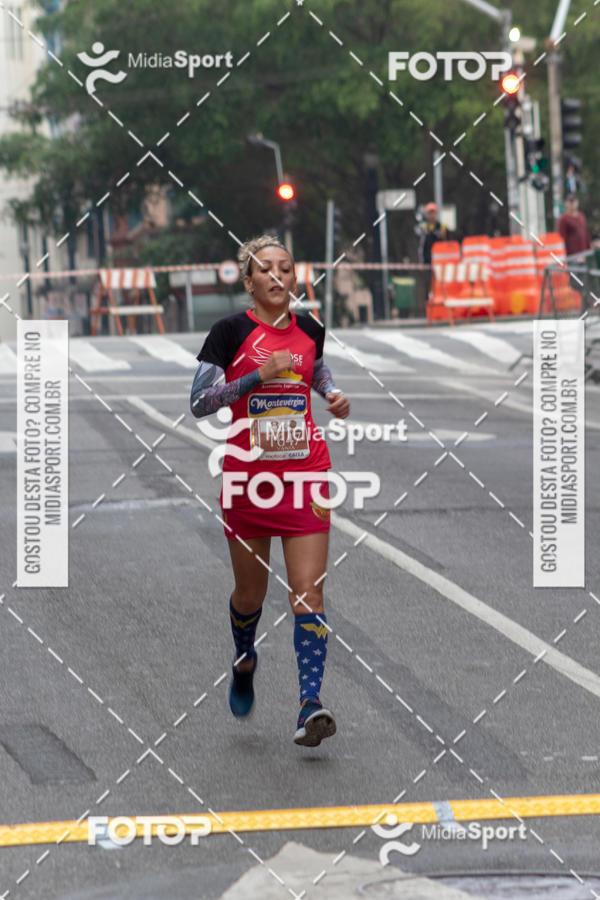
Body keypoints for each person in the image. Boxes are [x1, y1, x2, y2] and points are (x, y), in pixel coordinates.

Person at [189, 234, 350, 747]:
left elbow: (313, 366)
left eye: (286, 267)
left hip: (306, 473)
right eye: (266, 269)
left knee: (310, 591)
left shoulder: (310, 328)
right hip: (249, 481)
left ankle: (310, 705)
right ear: (249, 280)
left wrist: (330, 392)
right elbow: (199, 402)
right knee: (250, 593)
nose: (277, 276)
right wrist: (256, 376)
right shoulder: (229, 332)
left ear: (295, 277)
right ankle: (244, 658)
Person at [557, 194, 591, 258]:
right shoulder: (563, 219)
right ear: (566, 203)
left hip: (584, 254)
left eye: (573, 201)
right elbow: (561, 238)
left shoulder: (581, 216)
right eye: (570, 202)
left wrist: (589, 249)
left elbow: (586, 234)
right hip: (572, 256)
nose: (572, 204)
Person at [417, 202, 448, 266]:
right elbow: (422, 245)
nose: (431, 215)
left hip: (441, 261)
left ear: (436, 214)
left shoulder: (442, 227)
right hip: (428, 262)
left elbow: (446, 243)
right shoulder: (423, 227)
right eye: (429, 213)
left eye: (433, 213)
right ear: (426, 214)